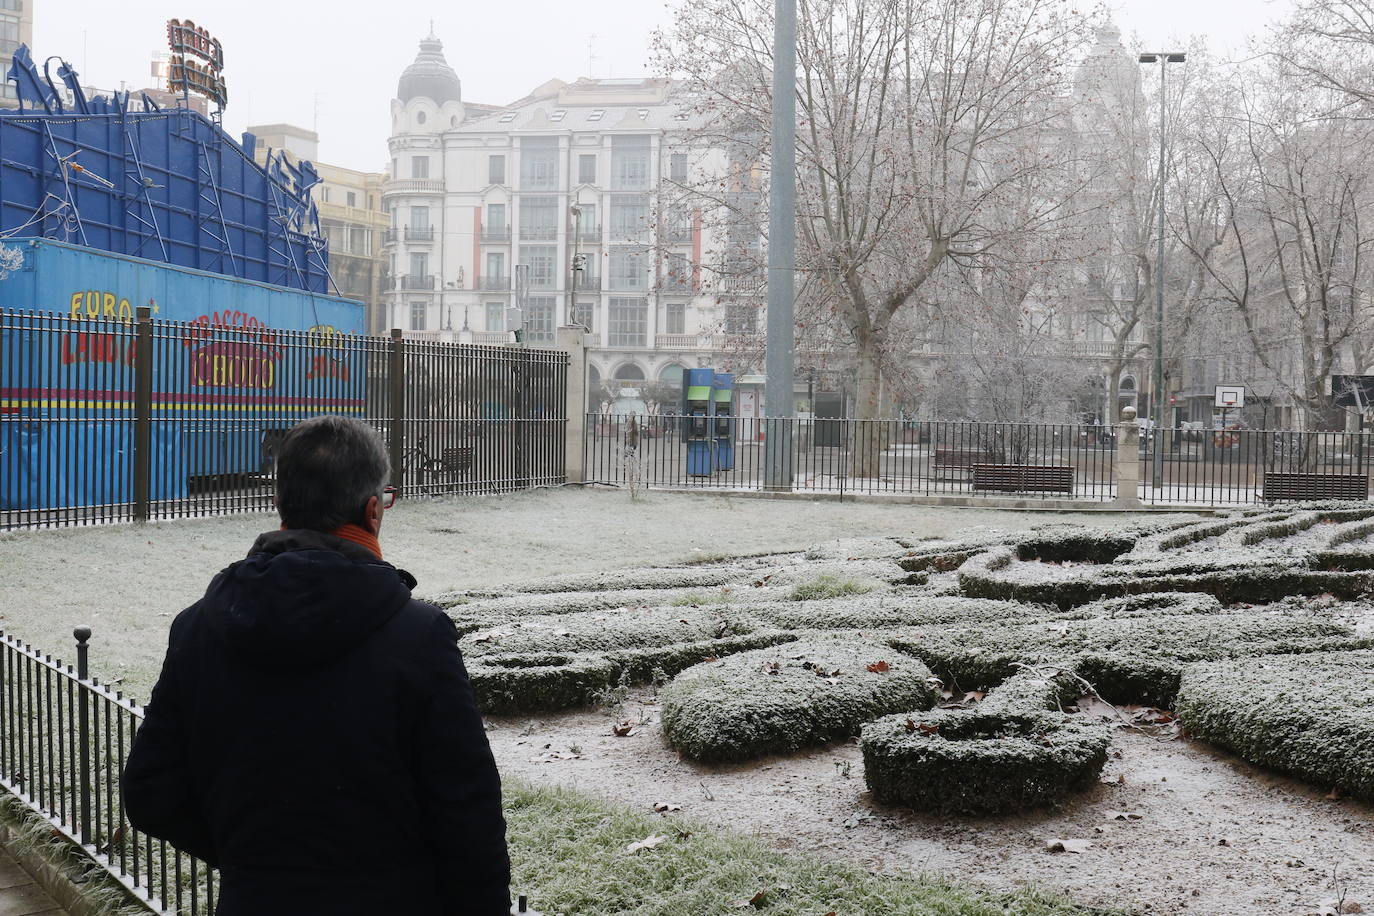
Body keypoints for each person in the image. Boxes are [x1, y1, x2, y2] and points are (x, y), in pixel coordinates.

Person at [122, 416, 511, 915]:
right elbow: (466, 811)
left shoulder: (197, 628)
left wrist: (254, 863)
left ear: (279, 504)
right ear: (373, 510)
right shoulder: (419, 636)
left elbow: (151, 792)